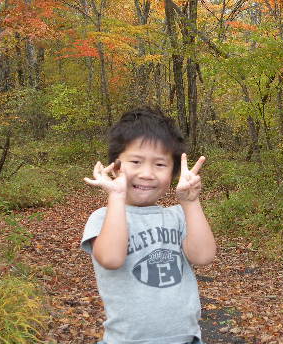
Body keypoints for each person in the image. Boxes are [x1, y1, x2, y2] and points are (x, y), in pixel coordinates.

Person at [81, 107, 216, 344]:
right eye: (135, 161)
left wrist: (190, 202)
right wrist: (116, 196)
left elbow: (203, 256)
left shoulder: (178, 215)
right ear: (116, 167)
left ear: (172, 173)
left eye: (160, 165)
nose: (147, 173)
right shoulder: (103, 218)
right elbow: (111, 259)